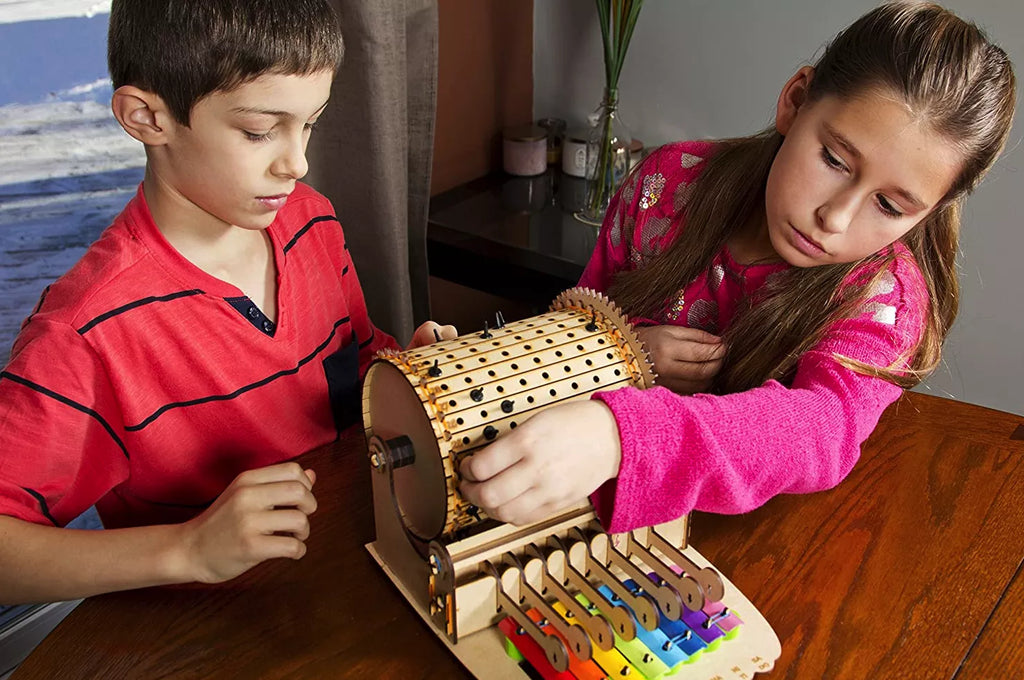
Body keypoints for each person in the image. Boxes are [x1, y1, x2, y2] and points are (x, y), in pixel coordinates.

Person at [460, 3, 1016, 533]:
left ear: (930, 212)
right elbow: (577, 319)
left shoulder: (882, 299)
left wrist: (620, 437)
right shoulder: (667, 185)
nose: (835, 218)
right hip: (579, 519)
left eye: (890, 207)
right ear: (795, 101)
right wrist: (606, 355)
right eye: (834, 160)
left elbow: (821, 429)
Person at [0, 0, 454, 605]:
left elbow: (356, 368)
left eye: (310, 124)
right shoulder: (85, 333)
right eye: (259, 131)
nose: (297, 162)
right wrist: (189, 547)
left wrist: (409, 379)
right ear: (147, 118)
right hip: (209, 626)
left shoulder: (311, 221)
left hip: (358, 570)